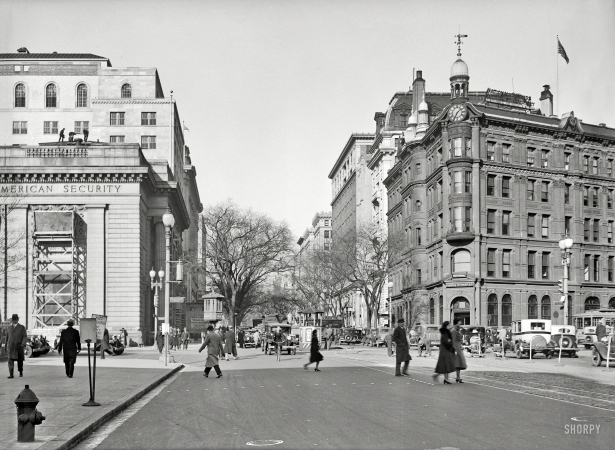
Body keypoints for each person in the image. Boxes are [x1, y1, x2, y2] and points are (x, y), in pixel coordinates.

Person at [5, 314, 27, 378]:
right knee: (10, 361)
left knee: (20, 360)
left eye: (16, 319)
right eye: (13, 319)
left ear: (18, 319)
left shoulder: (22, 327)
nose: (14, 321)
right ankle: (11, 374)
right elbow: (7, 337)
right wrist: (5, 345)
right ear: (12, 320)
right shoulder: (9, 328)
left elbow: (24, 336)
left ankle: (20, 372)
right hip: (11, 347)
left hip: (19, 346)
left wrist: (23, 343)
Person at [451, 318, 467, 383]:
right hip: (456, 348)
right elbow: (453, 340)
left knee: (459, 363)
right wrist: (454, 349)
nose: (460, 323)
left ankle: (458, 377)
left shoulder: (458, 330)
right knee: (457, 363)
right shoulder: (454, 330)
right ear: (457, 323)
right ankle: (457, 377)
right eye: (459, 322)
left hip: (459, 347)